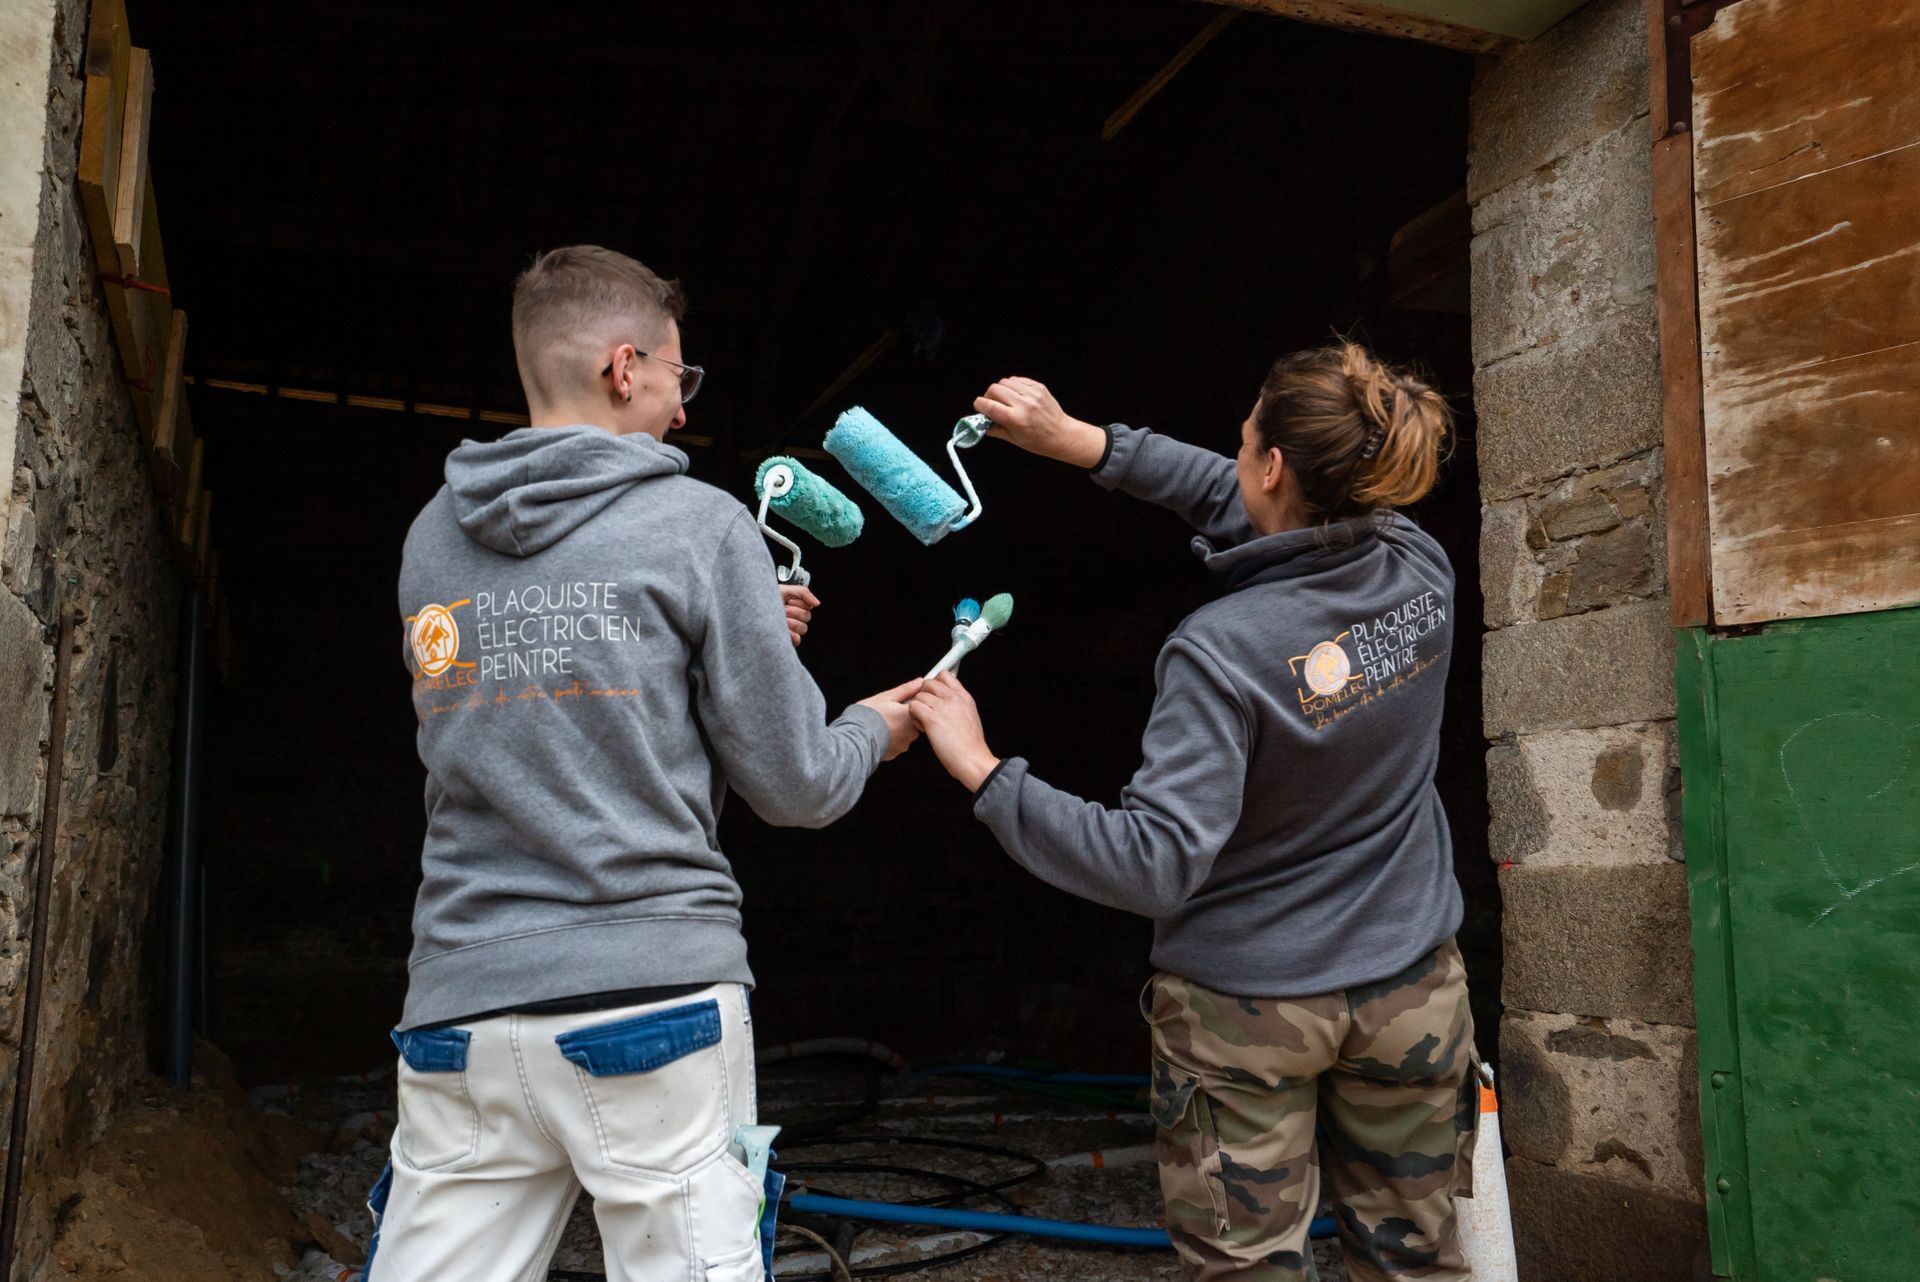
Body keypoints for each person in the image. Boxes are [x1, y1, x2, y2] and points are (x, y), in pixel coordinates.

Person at [377, 245, 921, 1281]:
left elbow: (518, 709)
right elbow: (797, 784)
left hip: (460, 1005)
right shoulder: (702, 526)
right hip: (651, 1000)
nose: (681, 408)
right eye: (680, 376)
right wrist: (866, 729)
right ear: (624, 368)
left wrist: (733, 639)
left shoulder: (431, 540)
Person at [910, 344, 1477, 1282]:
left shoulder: (1221, 652)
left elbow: (1152, 863)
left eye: (1246, 437)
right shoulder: (1419, 565)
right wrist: (1081, 442)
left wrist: (982, 769)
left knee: (1248, 1270)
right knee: (1416, 1261)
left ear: (1275, 466)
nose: (1234, 452)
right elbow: (1249, 499)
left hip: (1250, 1011)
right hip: (1412, 990)